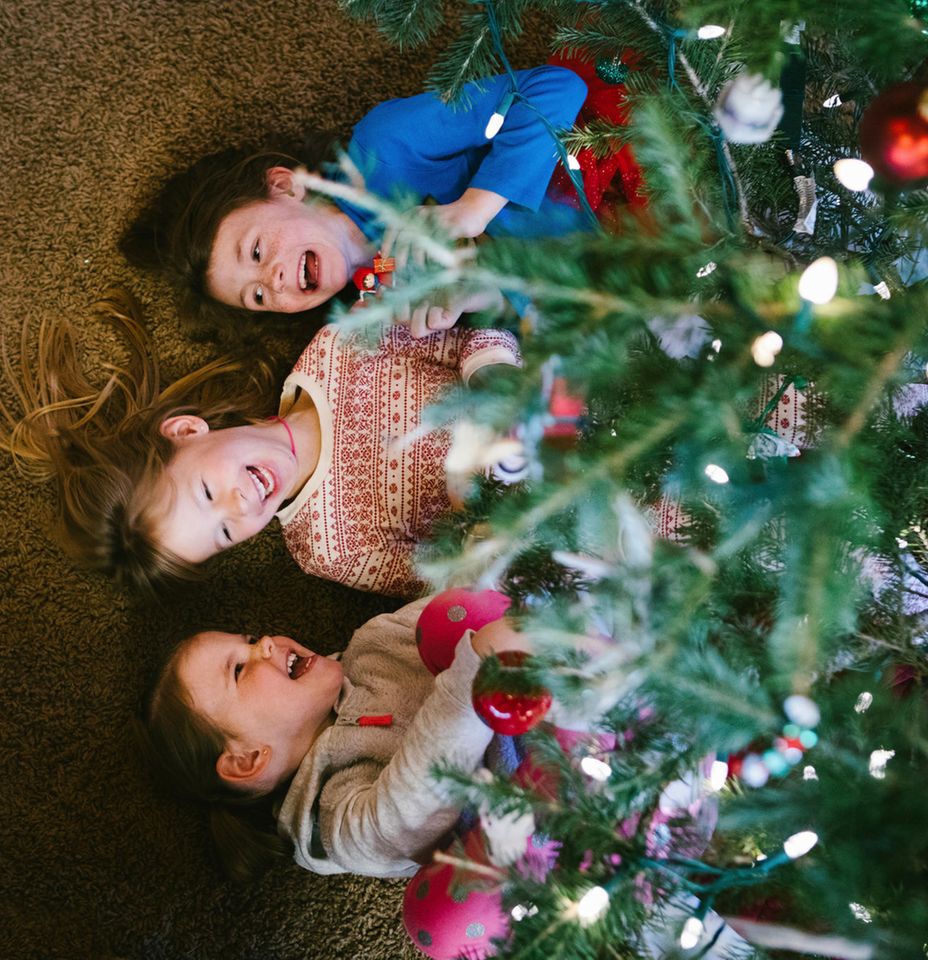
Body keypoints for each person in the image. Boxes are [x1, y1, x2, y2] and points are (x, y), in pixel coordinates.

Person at [0, 290, 521, 597]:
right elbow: (449, 590)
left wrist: (493, 381)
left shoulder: (338, 347)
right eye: (225, 532)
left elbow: (476, 318)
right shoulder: (327, 549)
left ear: (185, 431)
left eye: (207, 493)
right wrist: (473, 523)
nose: (239, 505)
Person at [123, 66, 590, 338]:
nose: (274, 279)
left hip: (623, 181)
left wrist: (472, 208)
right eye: (259, 297)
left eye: (258, 252)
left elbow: (556, 88)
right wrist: (474, 296)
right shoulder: (383, 302)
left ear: (284, 187)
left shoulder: (385, 146)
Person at [141, 597, 529, 881]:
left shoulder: (373, 644)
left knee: (447, 614)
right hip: (535, 799)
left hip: (552, 660)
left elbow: (472, 597)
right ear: (247, 760)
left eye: (251, 638)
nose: (266, 644)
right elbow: (402, 821)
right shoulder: (331, 820)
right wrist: (475, 677)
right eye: (240, 669)